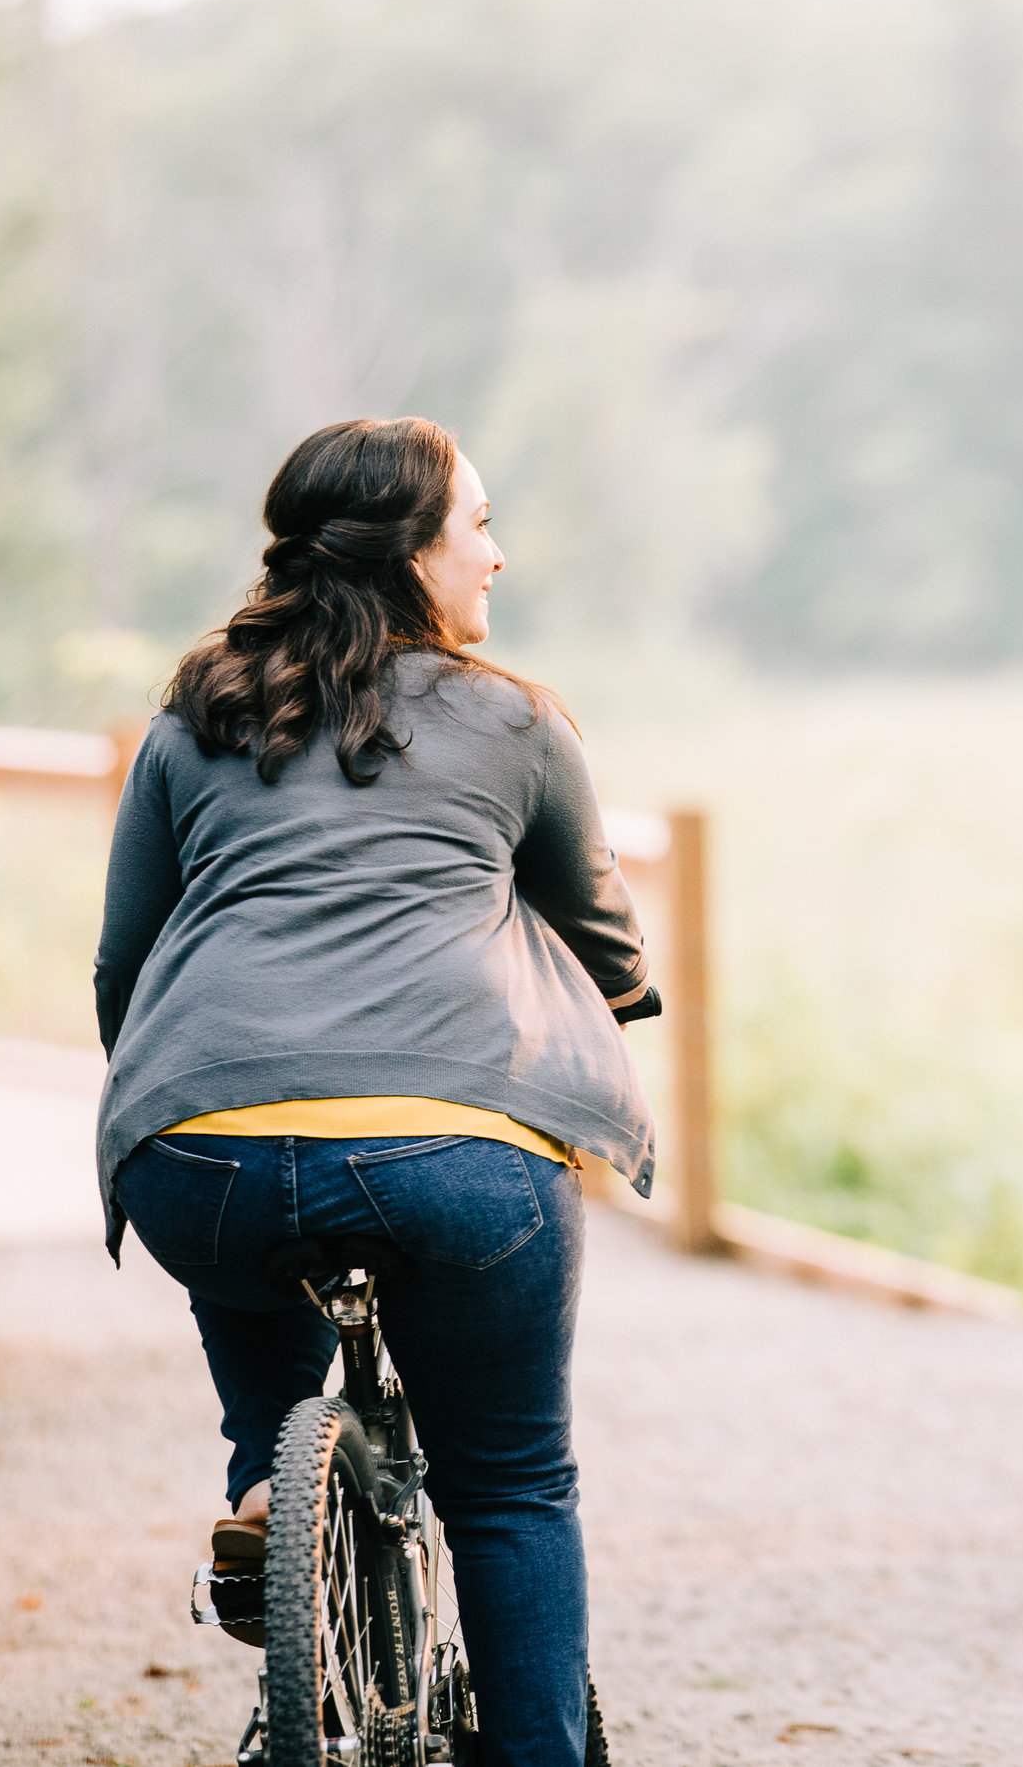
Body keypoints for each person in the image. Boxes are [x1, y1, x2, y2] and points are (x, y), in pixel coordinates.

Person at [93, 417, 657, 1767]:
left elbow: (127, 961)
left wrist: (188, 1082)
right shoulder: (515, 719)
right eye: (479, 527)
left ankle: (261, 1482)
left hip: (203, 1143)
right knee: (513, 1485)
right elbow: (606, 944)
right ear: (411, 554)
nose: (499, 557)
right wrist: (620, 1002)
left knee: (248, 1278)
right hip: (456, 1155)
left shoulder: (196, 716)